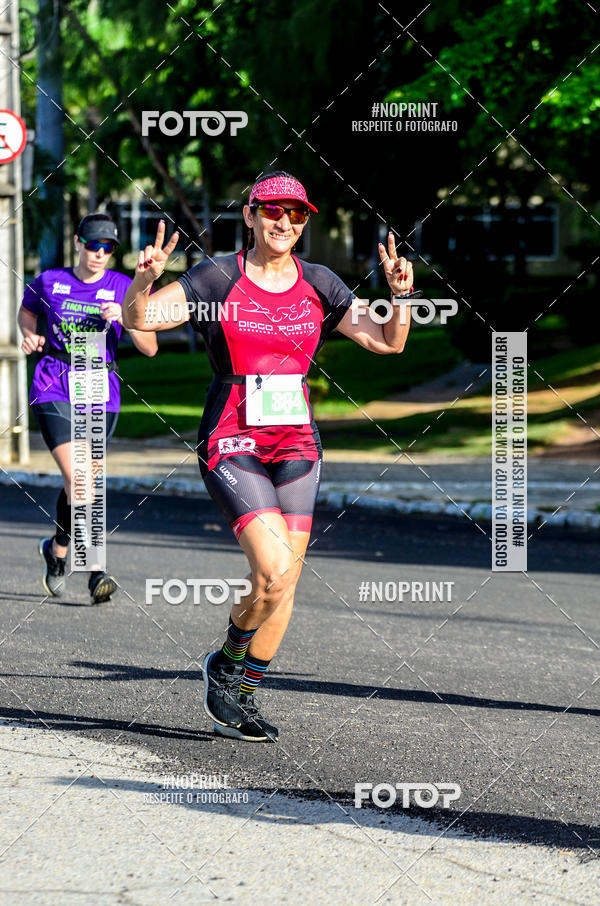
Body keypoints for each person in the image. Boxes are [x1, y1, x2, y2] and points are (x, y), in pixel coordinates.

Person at [122, 171, 416, 741]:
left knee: (286, 582)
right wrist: (143, 282)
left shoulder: (322, 283)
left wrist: (401, 298)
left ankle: (244, 692)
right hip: (233, 435)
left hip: (297, 443)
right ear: (251, 215)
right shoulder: (217, 277)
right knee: (272, 568)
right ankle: (227, 660)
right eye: (274, 211)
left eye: (298, 214)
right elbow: (140, 320)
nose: (286, 222)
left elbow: (389, 341)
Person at [18, 213, 158, 604]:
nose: (99, 254)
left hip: (101, 389)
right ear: (78, 242)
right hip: (54, 383)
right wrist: (29, 335)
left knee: (81, 485)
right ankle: (96, 571)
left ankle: (57, 549)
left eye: (108, 248)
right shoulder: (49, 280)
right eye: (93, 245)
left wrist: (128, 320)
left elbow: (150, 348)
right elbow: (27, 311)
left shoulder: (124, 287)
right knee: (81, 481)